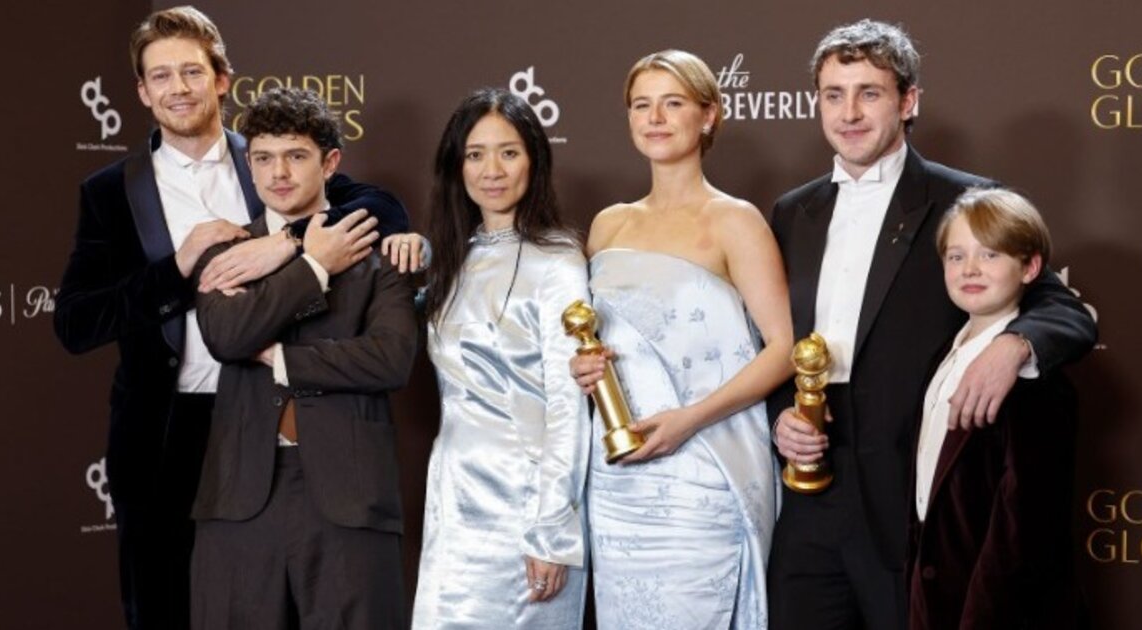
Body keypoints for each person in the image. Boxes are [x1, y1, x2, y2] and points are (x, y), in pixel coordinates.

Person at [52, 7, 406, 629]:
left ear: (221, 79)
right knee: (165, 609)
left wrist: (285, 242)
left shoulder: (270, 155)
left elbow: (380, 208)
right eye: (161, 76)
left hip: (269, 418)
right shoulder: (109, 191)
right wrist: (178, 268)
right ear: (142, 91)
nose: (178, 88)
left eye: (192, 71)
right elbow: (76, 324)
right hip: (166, 432)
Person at [768, 19, 1097, 630]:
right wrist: (780, 417)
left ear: (908, 101)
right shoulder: (792, 212)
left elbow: (1064, 310)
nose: (849, 113)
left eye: (869, 93)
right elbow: (767, 343)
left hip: (908, 504)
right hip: (809, 497)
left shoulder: (964, 200)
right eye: (834, 94)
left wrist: (1014, 346)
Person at [570, 49, 794, 629]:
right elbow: (597, 341)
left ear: (709, 114)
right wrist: (582, 369)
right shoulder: (608, 224)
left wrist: (688, 420)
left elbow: (782, 349)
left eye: (672, 103)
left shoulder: (735, 220)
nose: (655, 118)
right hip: (617, 479)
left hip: (702, 470)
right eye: (641, 105)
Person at [189, 87, 417, 630]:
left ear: (330, 162)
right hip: (240, 494)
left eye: (295, 155)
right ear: (249, 165)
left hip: (350, 494)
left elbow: (390, 359)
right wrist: (313, 266)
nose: (279, 173)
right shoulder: (226, 254)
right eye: (264, 158)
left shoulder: (378, 251)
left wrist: (282, 358)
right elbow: (228, 337)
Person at [391, 88, 591, 629]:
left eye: (509, 152)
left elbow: (567, 405)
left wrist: (551, 530)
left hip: (525, 506)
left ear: (535, 160)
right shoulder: (454, 259)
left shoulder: (558, 262)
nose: (492, 171)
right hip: (455, 499)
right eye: (475, 155)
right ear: (457, 167)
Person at [909, 188, 1079, 629]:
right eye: (956, 256)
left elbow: (1023, 531)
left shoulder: (1032, 378)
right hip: (933, 599)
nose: (969, 269)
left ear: (1031, 268)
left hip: (992, 607)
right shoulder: (943, 356)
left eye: (990, 255)